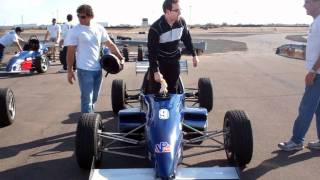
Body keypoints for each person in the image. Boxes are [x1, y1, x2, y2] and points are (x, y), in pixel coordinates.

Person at [64, 4, 124, 113]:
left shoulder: (99, 28)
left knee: (94, 98)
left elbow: (110, 45)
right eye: (78, 16)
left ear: (90, 16)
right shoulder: (75, 31)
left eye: (82, 17)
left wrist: (121, 58)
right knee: (87, 100)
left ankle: (89, 124)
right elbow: (70, 52)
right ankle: (87, 127)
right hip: (84, 70)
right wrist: (69, 70)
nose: (80, 19)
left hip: (98, 70)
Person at [278, 0, 320, 151]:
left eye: (307, 2)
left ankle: (296, 141)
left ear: (317, 3)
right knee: (318, 108)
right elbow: (315, 50)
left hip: (318, 75)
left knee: (306, 108)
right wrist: (297, 53)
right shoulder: (316, 22)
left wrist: (313, 71)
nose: (304, 6)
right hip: (317, 72)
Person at [147, 0, 199, 94]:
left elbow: (187, 39)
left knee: (172, 91)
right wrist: (155, 71)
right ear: (167, 11)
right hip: (160, 62)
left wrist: (194, 55)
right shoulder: (155, 28)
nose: (180, 12)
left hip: (174, 62)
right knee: (156, 92)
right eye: (176, 10)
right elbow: (152, 52)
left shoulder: (181, 22)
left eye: (180, 9)